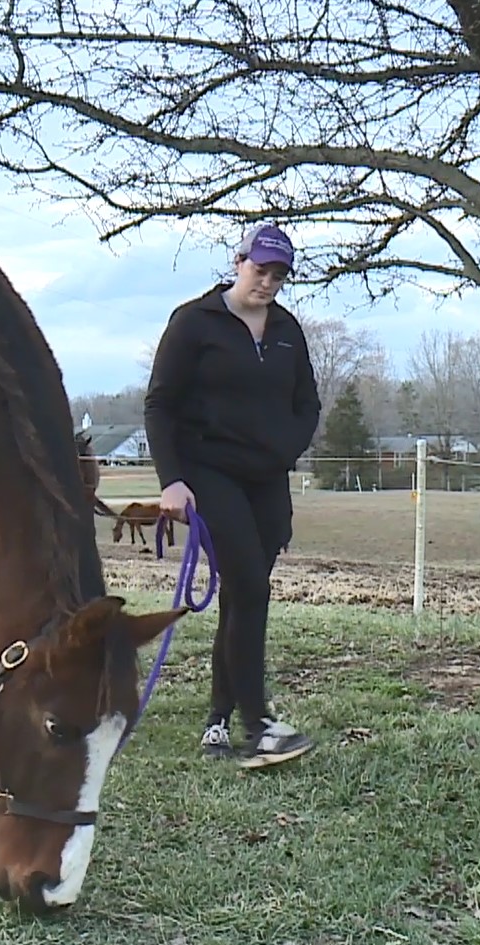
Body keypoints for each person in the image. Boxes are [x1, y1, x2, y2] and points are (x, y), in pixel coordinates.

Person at [142, 222, 321, 769]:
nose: (267, 281)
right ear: (238, 261)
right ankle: (258, 723)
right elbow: (160, 404)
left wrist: (283, 451)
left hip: (266, 481)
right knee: (249, 587)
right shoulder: (195, 323)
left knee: (246, 594)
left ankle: (218, 719)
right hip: (209, 473)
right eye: (259, 268)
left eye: (278, 274)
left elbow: (307, 405)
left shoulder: (287, 330)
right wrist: (171, 479)